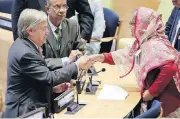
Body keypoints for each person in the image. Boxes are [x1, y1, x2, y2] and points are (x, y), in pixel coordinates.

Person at [2, 9, 94, 118]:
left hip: (31, 105)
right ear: (31, 30)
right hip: (24, 112)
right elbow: (49, 77)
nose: (47, 32)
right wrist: (76, 66)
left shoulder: (25, 44)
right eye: (44, 28)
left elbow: (33, 81)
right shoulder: (26, 54)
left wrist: (53, 89)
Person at [89, 7, 180, 117]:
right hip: (160, 99)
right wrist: (99, 57)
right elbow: (123, 55)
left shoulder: (153, 44)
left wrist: (151, 92)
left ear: (142, 26)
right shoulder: (144, 41)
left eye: (133, 24)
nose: (130, 28)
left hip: (168, 103)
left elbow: (170, 67)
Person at [11, 0, 94, 42]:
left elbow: (86, 14)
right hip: (36, 42)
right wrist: (21, 45)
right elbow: (17, 17)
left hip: (66, 42)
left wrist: (81, 39)